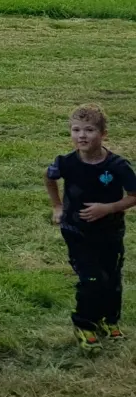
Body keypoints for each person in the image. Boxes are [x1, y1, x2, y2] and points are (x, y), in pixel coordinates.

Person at [46, 104, 136, 350]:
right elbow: (50, 177)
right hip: (76, 232)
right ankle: (85, 324)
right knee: (92, 278)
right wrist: (57, 207)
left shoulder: (117, 166)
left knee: (112, 277)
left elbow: (133, 195)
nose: (82, 136)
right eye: (76, 130)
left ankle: (109, 319)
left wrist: (108, 208)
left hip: (110, 232)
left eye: (89, 130)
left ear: (103, 134)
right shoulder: (65, 162)